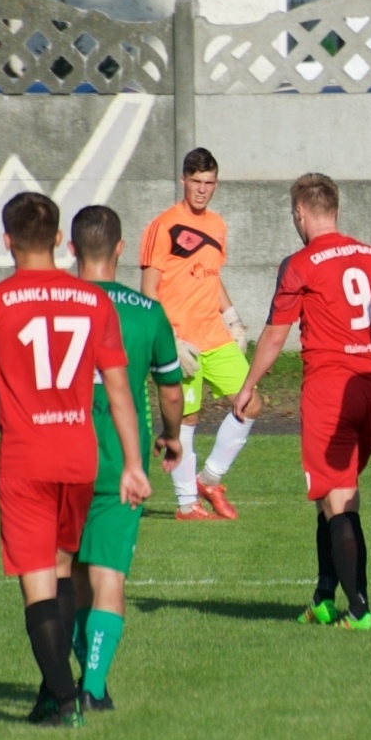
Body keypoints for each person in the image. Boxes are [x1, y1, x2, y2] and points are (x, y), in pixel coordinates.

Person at [0, 191, 150, 728]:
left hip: (27, 459)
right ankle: (50, 694)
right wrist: (133, 463)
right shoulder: (92, 301)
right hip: (79, 458)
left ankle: (65, 702)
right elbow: (119, 390)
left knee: (38, 584)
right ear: (61, 240)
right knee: (62, 571)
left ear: (7, 241)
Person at [233, 173, 371, 630]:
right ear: (336, 211)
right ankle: (325, 597)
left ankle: (359, 610)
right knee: (331, 493)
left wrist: (248, 385)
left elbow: (275, 334)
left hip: (331, 390)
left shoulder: (300, 264)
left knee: (339, 498)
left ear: (300, 212)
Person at [69, 205, 185, 711]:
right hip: (121, 460)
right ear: (120, 249)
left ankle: (68, 680)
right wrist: (171, 435)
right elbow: (171, 389)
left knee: (70, 574)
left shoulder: (53, 304)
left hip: (59, 454)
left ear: (71, 248)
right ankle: (93, 686)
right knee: (108, 576)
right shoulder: (147, 311)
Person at [141, 147, 259, 520]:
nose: (202, 189)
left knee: (250, 403)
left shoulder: (218, 225)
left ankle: (209, 480)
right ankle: (186, 504)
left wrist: (233, 317)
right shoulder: (163, 226)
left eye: (209, 182)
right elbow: (148, 289)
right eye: (196, 181)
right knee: (186, 418)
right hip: (181, 342)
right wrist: (167, 340)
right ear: (183, 181)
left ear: (216, 183)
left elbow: (211, 276)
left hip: (214, 336)